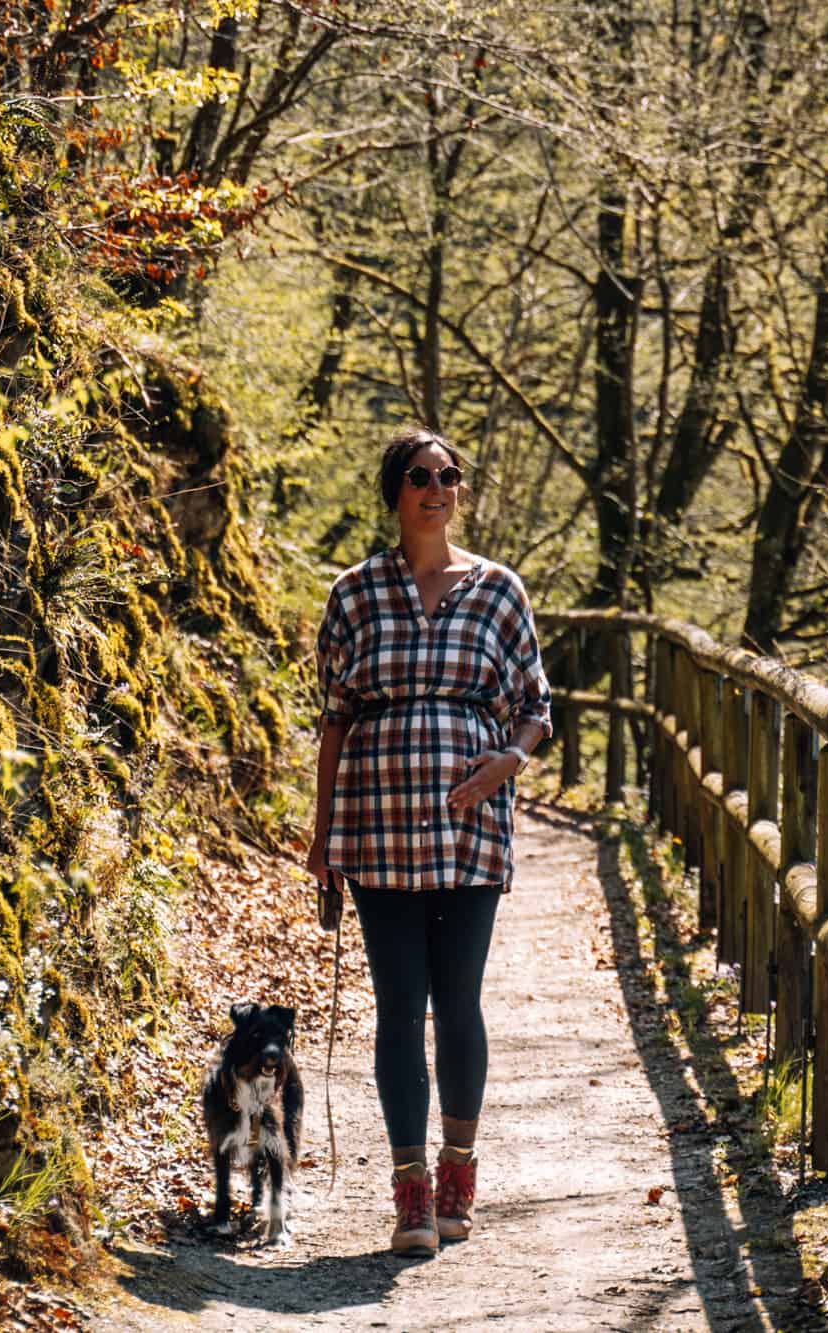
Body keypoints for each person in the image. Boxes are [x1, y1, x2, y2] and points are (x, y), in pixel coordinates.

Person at [305, 425, 552, 1257]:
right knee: (398, 1007)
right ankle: (410, 1196)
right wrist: (321, 836)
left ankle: (457, 1175)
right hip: (377, 828)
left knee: (460, 1003)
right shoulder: (354, 593)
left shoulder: (499, 589)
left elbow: (536, 705)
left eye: (450, 475)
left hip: (470, 826)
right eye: (420, 475)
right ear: (395, 491)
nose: (437, 487)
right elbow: (335, 717)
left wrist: (507, 761)